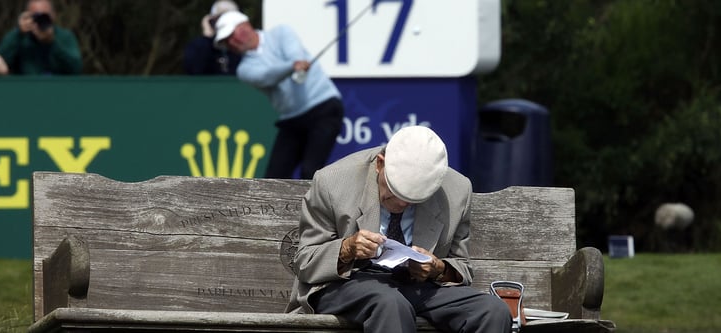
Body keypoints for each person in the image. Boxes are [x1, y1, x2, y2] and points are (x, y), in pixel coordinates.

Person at [285, 126, 514, 333]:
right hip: (346, 284)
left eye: (414, 200)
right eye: (395, 192)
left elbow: (461, 267)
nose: (402, 205)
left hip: (417, 286)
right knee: (390, 303)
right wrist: (347, 249)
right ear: (380, 164)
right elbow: (304, 262)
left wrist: (438, 268)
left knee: (492, 311)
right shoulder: (333, 181)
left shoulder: (457, 190)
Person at [213, 11, 344, 179]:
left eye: (233, 34)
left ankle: (312, 206)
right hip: (292, 120)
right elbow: (267, 76)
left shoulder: (280, 32)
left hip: (325, 108)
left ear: (245, 25)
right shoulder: (244, 70)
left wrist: (296, 62)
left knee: (310, 172)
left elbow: (294, 52)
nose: (232, 42)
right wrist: (292, 66)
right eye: (227, 41)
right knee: (273, 178)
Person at [0, 0, 82, 75]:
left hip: (58, 89)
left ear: (53, 15)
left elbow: (76, 68)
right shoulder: (19, 38)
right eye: (36, 17)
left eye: (45, 16)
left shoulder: (64, 36)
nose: (41, 21)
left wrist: (52, 43)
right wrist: (18, 33)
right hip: (26, 89)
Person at [182, 0, 242, 75]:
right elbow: (193, 71)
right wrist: (207, 37)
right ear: (212, 21)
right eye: (221, 18)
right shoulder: (199, 45)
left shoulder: (243, 47)